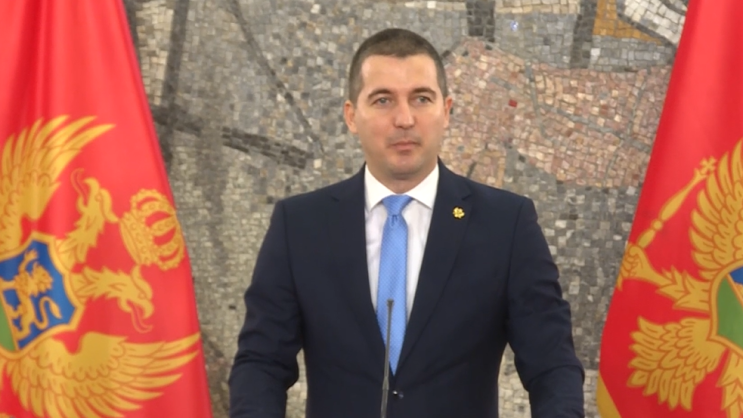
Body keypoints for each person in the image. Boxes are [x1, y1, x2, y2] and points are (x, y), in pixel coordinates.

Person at [228, 27, 585, 418]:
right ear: (351, 115)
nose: (404, 119)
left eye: (421, 98)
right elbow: (261, 363)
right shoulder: (299, 225)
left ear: (446, 111)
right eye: (383, 100)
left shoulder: (507, 224)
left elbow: (552, 367)